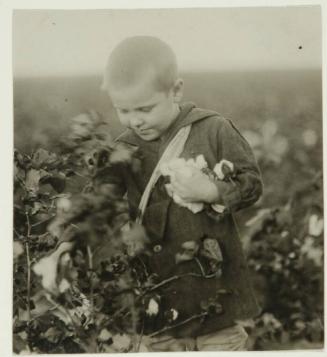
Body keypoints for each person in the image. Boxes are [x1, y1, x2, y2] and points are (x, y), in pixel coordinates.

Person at [101, 36, 263, 351]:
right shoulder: (124, 147)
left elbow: (252, 184)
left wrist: (213, 190)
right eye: (123, 110)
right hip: (155, 300)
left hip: (215, 300)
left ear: (176, 90)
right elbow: (98, 202)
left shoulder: (213, 130)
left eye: (145, 108)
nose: (135, 120)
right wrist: (67, 241)